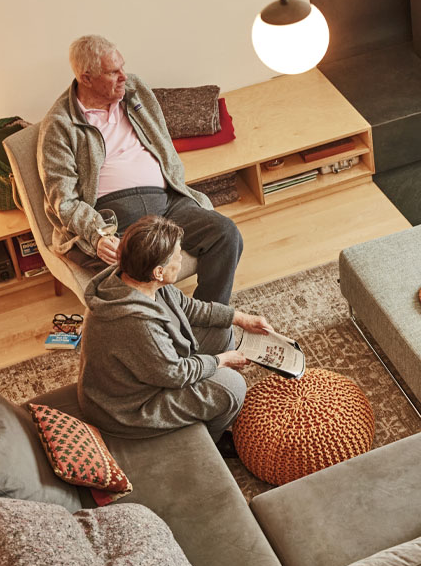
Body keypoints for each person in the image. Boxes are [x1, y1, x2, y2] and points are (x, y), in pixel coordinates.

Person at [38, 34, 243, 305]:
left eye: (123, 66)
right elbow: (63, 201)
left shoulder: (133, 89)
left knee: (225, 233)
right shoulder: (59, 125)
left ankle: (210, 317)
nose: (124, 76)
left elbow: (161, 139)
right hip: (116, 218)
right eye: (113, 72)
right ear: (86, 78)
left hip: (168, 203)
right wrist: (97, 234)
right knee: (138, 275)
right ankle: (169, 330)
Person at [77, 216, 272, 446]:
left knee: (222, 331)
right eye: (178, 257)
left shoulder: (134, 277)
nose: (181, 260)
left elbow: (188, 307)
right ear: (158, 272)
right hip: (128, 409)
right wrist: (221, 361)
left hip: (148, 371)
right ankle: (207, 444)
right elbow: (175, 374)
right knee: (233, 387)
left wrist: (241, 319)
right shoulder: (137, 323)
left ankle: (209, 409)